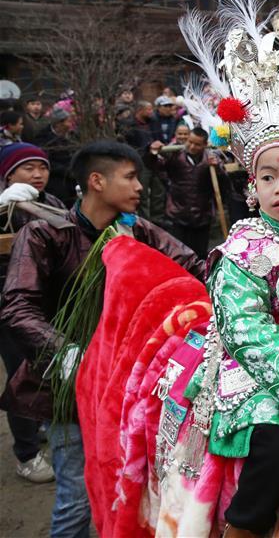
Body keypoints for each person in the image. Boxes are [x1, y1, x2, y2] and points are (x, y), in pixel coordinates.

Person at [0, 141, 202, 538]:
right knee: (77, 496)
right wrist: (69, 355)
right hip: (65, 385)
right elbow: (17, 307)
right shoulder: (45, 235)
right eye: (129, 177)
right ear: (96, 181)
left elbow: (193, 265)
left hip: (128, 386)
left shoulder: (138, 231)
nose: (140, 187)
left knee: (127, 488)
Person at [0, 143, 63, 485]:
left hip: (49, 302)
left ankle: (40, 423)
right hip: (10, 307)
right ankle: (26, 454)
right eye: (28, 168)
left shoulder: (50, 203)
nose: (38, 174)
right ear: (9, 173)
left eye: (43, 167)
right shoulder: (4, 205)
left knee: (47, 368)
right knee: (21, 373)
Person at [145, 127, 228, 257]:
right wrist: (151, 152)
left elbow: (224, 184)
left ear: (205, 145)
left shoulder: (211, 159)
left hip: (202, 216)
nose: (192, 146)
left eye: (197, 144)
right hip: (178, 214)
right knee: (178, 256)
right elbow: (154, 166)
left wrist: (218, 168)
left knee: (199, 255)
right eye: (190, 142)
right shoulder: (175, 155)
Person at [34, 108, 78, 205]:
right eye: (68, 122)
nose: (71, 125)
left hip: (72, 177)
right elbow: (46, 160)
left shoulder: (72, 135)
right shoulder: (44, 138)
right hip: (56, 179)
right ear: (59, 123)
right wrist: (66, 170)